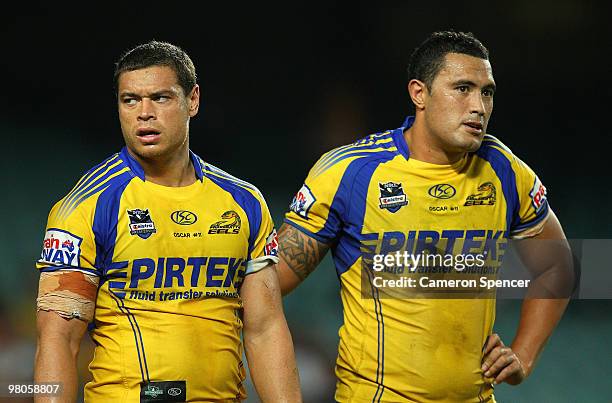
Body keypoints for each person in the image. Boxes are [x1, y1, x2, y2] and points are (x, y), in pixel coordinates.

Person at [277, 31, 573, 402]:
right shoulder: (353, 172)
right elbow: (270, 282)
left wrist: (523, 356)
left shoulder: (504, 170)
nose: (478, 106)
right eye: (462, 88)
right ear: (419, 93)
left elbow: (558, 266)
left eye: (487, 92)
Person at [34, 41, 301, 403]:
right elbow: (57, 339)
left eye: (160, 98)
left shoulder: (245, 203)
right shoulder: (85, 207)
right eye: (130, 100)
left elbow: (266, 329)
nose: (143, 113)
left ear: (192, 100)